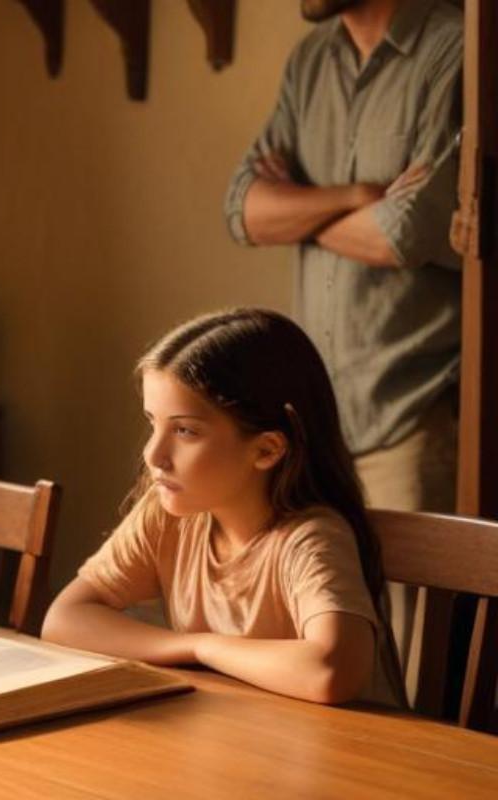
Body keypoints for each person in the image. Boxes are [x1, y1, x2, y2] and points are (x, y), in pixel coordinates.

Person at [221, 0, 463, 699]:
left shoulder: (456, 50)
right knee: (320, 663)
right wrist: (360, 193)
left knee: (419, 677)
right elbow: (242, 210)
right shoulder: (312, 58)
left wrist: (296, 209)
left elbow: (404, 235)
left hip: (413, 412)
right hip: (317, 420)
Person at [42, 309, 404, 706]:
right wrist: (193, 646)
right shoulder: (169, 515)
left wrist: (205, 650)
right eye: (153, 424)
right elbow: (65, 619)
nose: (153, 454)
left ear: (266, 449)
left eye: (184, 431)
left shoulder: (310, 538)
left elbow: (331, 671)